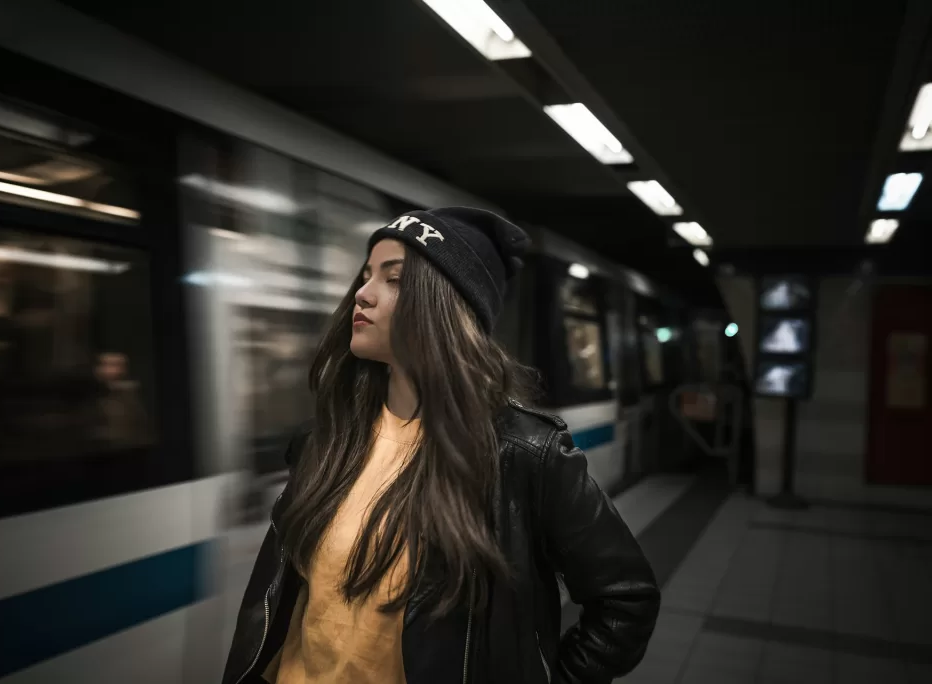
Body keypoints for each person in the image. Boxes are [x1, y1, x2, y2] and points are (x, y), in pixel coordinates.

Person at [222, 207, 660, 684]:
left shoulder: (523, 453)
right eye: (366, 275)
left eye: (394, 279)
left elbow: (625, 599)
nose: (362, 294)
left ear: (447, 307)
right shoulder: (323, 441)